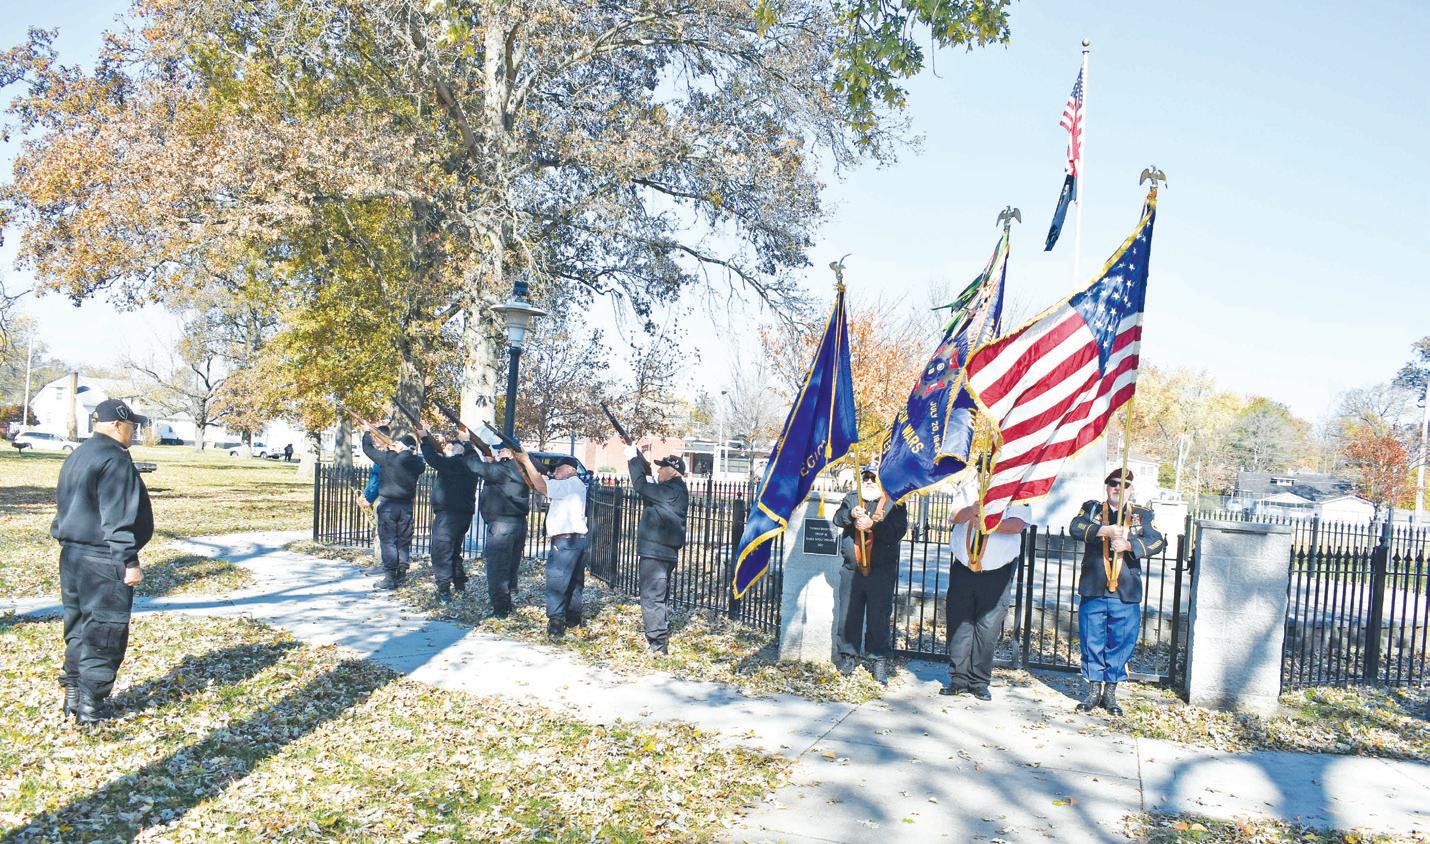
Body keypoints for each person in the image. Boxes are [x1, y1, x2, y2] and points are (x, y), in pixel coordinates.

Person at [50, 398, 153, 724]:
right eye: (132, 425)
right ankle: (91, 708)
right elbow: (116, 518)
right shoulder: (115, 460)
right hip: (103, 559)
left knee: (78, 627)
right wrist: (129, 561)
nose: (134, 431)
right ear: (117, 424)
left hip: (73, 556)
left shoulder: (79, 455)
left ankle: (74, 696)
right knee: (105, 632)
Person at [1069, 469, 1165, 715]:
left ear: (1131, 489)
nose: (1118, 488)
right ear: (1106, 486)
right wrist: (1105, 531)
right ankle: (1093, 690)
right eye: (1113, 483)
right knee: (1091, 640)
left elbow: (1157, 541)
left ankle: (1110, 693)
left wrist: (1130, 545)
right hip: (1094, 588)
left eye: (1125, 485)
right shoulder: (1092, 509)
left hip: (1125, 591)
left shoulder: (1142, 514)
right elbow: (1076, 527)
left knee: (1121, 643)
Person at [941, 495, 1031, 700]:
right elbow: (954, 516)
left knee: (988, 628)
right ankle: (958, 679)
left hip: (997, 572)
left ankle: (979, 682)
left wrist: (990, 524)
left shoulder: (1015, 488)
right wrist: (971, 510)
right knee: (959, 622)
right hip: (963, 568)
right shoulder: (969, 485)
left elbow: (1018, 524)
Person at [833, 468, 908, 683]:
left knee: (878, 617)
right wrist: (850, 514)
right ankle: (848, 657)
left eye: (873, 478)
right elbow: (837, 519)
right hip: (852, 568)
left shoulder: (895, 502)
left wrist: (873, 525)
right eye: (865, 477)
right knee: (849, 615)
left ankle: (878, 660)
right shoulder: (852, 497)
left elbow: (897, 532)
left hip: (881, 571)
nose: (868, 481)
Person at [518, 453, 589, 639]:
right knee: (574, 583)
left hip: (564, 542)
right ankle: (573, 621)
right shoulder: (574, 485)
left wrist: (526, 462)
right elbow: (543, 484)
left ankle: (556, 625)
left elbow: (541, 486)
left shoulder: (569, 484)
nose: (555, 472)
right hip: (577, 541)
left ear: (571, 470)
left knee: (557, 582)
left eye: (559, 469)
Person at [626, 445, 689, 653]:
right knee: (658, 595)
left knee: (652, 596)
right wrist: (640, 462)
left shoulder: (671, 491)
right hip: (662, 551)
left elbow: (640, 486)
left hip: (656, 552)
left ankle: (658, 644)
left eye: (663, 467)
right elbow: (649, 491)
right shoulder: (673, 491)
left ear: (674, 472)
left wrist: (632, 459)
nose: (659, 470)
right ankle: (659, 634)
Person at [464, 441, 533, 618]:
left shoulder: (506, 468)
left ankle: (501, 609)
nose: (498, 453)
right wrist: (493, 462)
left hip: (502, 527)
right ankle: (507, 601)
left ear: (510, 453)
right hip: (517, 524)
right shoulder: (520, 469)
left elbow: (475, 467)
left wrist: (467, 445)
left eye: (501, 450)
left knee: (498, 570)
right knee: (509, 567)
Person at [416, 426, 480, 603]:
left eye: (453, 446)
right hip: (463, 516)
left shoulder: (454, 464)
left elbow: (432, 459)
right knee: (454, 551)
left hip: (447, 516)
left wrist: (424, 440)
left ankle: (444, 590)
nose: (449, 448)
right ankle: (459, 584)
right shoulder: (470, 466)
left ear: (460, 450)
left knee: (441, 552)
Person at [359, 424, 426, 590]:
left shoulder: (389, 459)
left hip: (388, 505)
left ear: (401, 447)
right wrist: (399, 450)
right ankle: (401, 573)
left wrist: (366, 432)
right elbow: (415, 459)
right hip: (406, 507)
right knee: (403, 541)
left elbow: (368, 449)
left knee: (388, 541)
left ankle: (390, 577)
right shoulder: (417, 463)